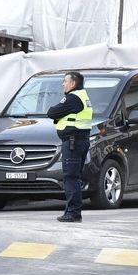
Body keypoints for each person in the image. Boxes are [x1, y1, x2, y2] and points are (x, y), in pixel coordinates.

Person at [46, 71, 93, 222]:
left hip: (73, 142)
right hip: (79, 141)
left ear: (72, 83)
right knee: (74, 177)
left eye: (65, 81)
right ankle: (73, 211)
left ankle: (73, 213)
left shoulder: (73, 98)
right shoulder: (82, 96)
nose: (63, 84)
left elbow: (52, 112)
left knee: (71, 177)